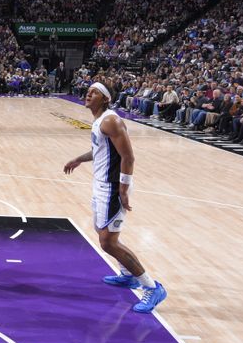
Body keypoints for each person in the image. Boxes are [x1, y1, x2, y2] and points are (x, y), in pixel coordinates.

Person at [63, 81, 167, 313]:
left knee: (108, 242)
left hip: (112, 187)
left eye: (95, 92)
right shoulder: (101, 121)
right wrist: (79, 159)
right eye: (88, 90)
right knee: (100, 231)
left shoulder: (111, 120)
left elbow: (128, 157)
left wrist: (123, 189)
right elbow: (101, 150)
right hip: (101, 184)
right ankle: (128, 274)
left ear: (106, 98)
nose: (88, 93)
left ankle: (151, 287)